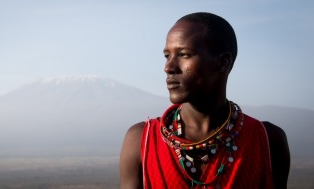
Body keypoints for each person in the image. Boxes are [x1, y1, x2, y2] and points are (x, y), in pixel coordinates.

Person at [119, 12, 290, 189]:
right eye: (167, 56)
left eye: (184, 55)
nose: (168, 67)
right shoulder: (142, 141)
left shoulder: (267, 141)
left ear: (222, 63)